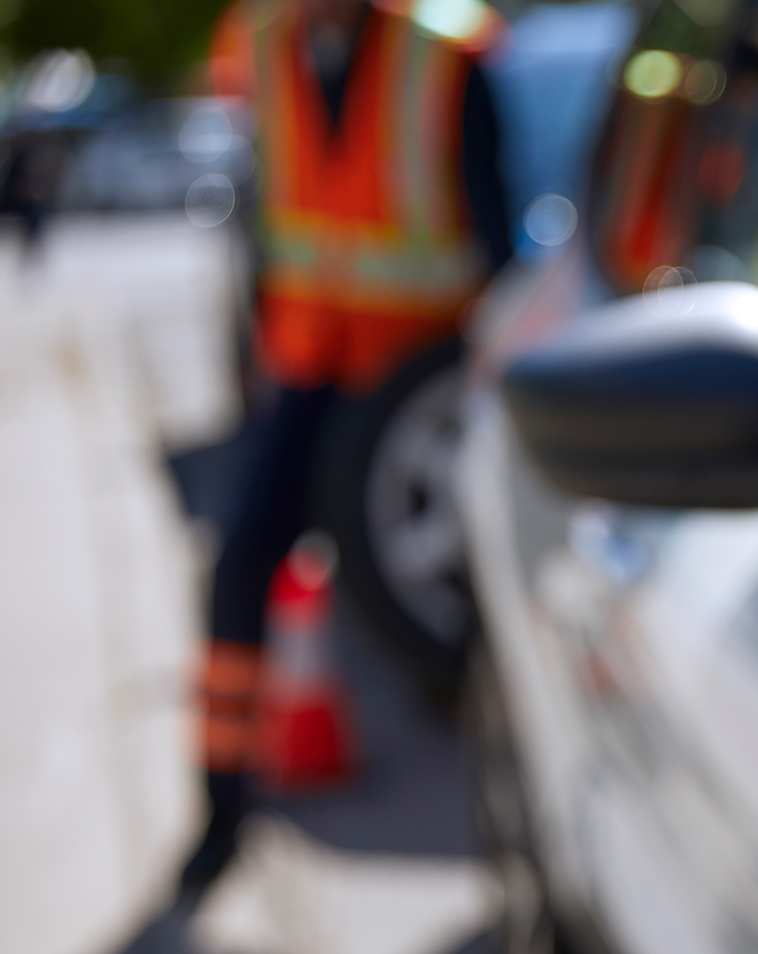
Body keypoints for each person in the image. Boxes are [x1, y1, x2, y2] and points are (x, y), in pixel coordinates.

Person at [183, 0, 513, 892]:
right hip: (306, 365)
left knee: (470, 609)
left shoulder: (444, 55)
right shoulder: (262, 48)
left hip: (415, 389)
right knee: (240, 558)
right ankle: (219, 807)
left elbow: (496, 244)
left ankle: (512, 815)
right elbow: (265, 219)